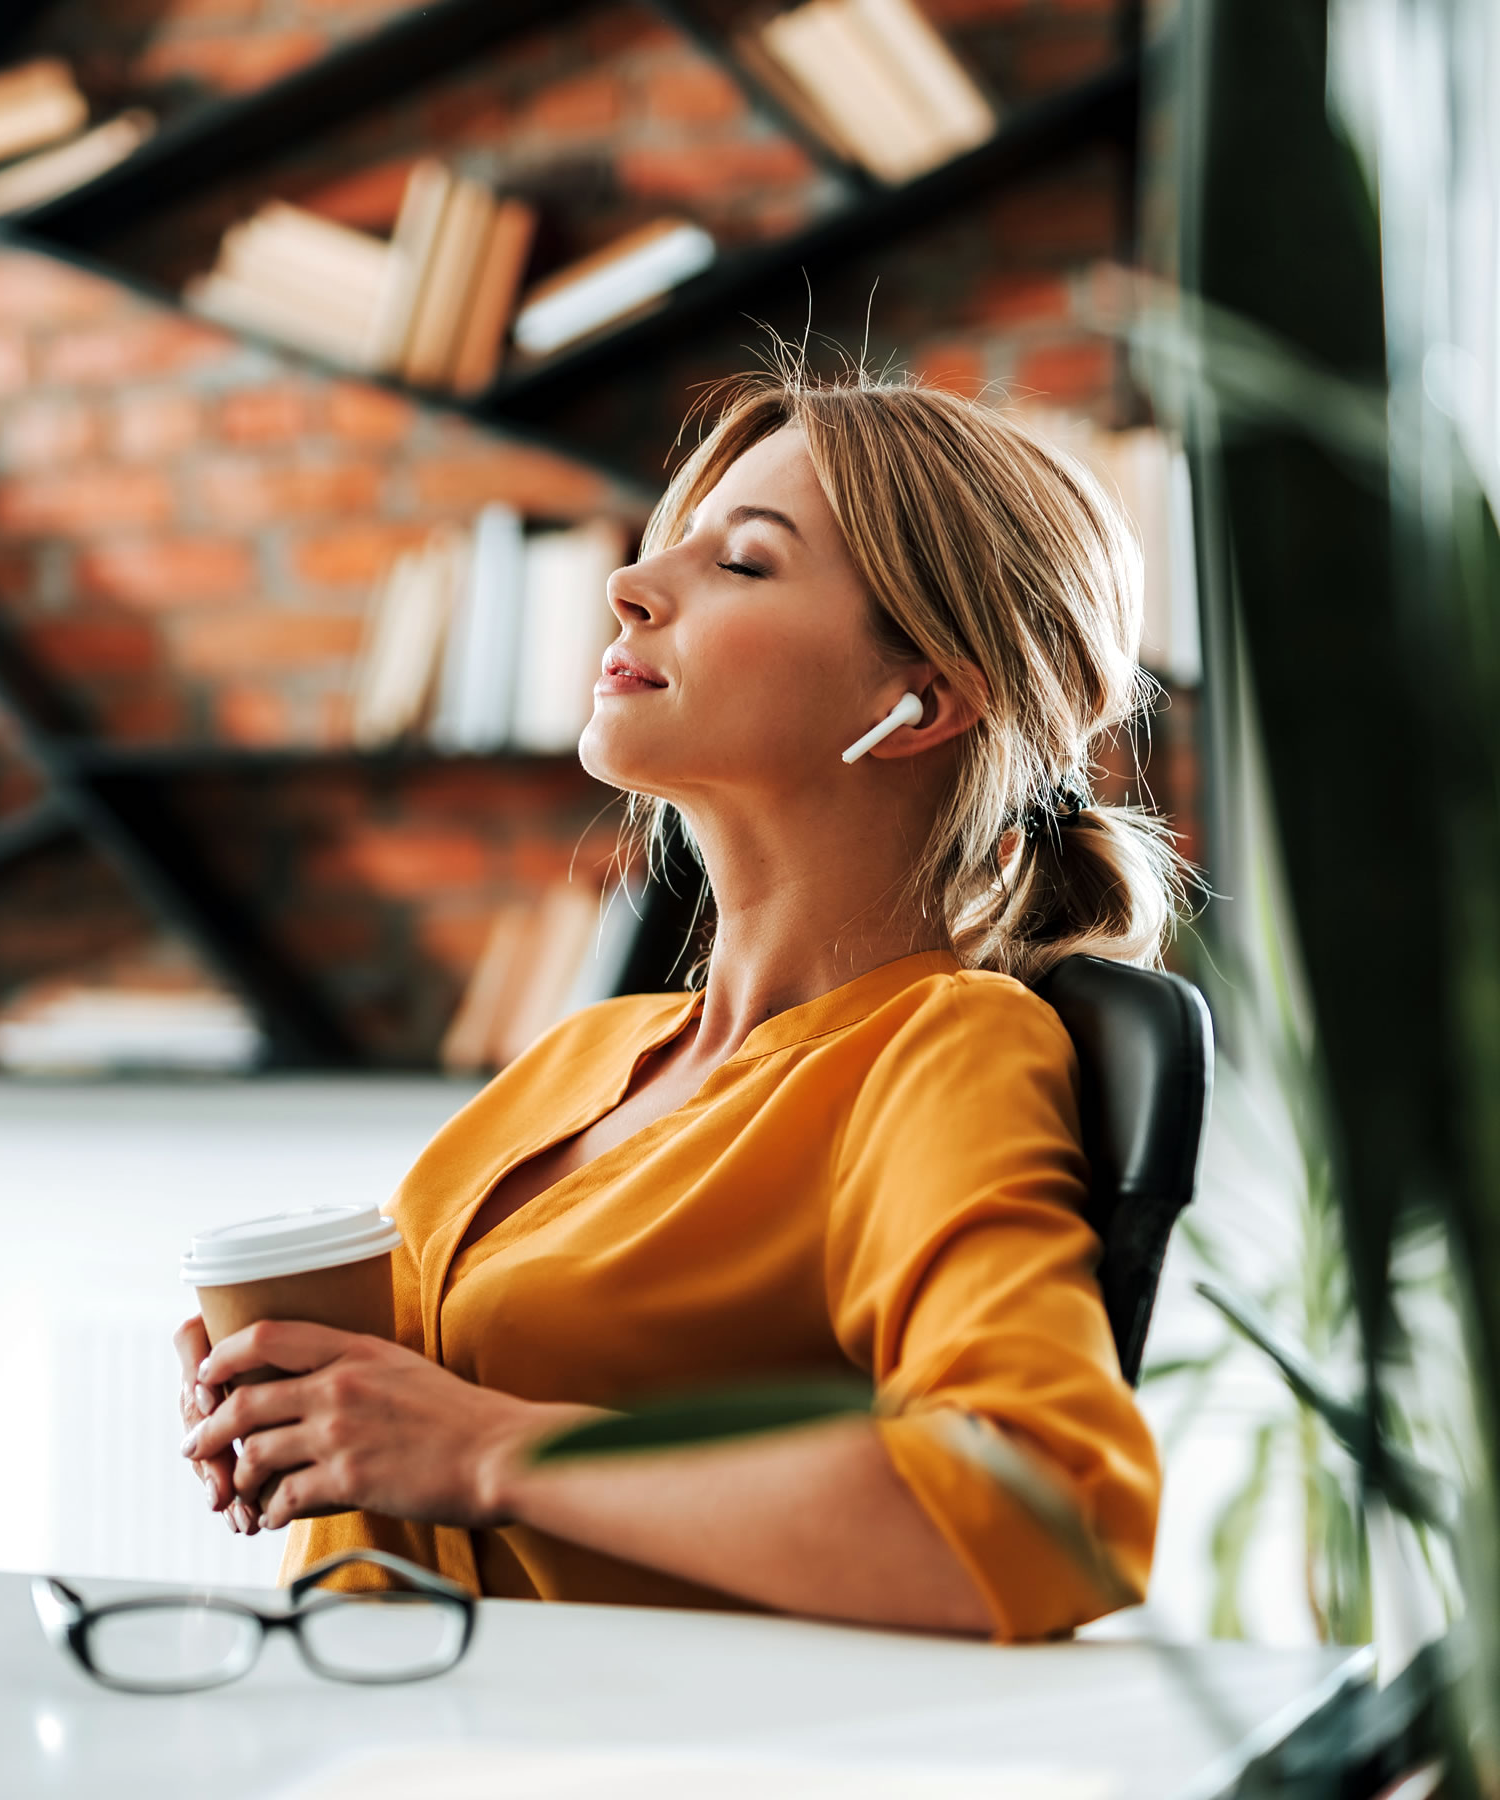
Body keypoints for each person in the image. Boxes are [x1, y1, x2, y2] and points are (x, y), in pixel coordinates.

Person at [175, 367, 1187, 1640]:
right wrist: (305, 1407)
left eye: (746, 564)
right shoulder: (583, 1055)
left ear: (920, 699)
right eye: (671, 547)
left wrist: (490, 1451)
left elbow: (1050, 1511)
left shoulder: (938, 1053)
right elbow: (411, 1463)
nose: (629, 584)